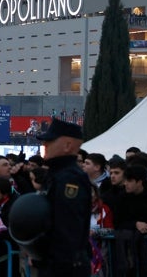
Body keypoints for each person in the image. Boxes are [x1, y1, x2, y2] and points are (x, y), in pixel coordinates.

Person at [31, 118, 91, 277]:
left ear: (67, 145)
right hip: (54, 262)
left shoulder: (70, 178)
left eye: (50, 141)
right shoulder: (56, 174)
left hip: (64, 266)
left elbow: (68, 226)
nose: (45, 146)